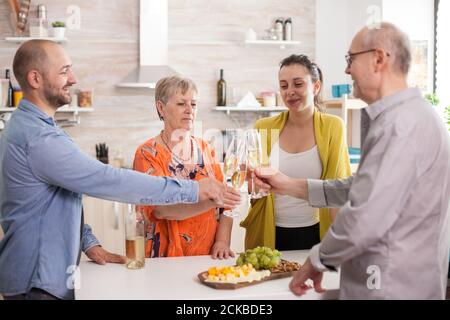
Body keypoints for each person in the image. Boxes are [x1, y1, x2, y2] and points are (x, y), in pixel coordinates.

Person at [0, 40, 240, 300]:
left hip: (41, 277)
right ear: (35, 78)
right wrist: (196, 189)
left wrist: (87, 242)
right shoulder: (38, 138)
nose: (73, 78)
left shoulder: (33, 129)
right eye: (64, 71)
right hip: (37, 282)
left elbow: (58, 200)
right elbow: (107, 179)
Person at [255, 22, 450, 299]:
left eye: (351, 59)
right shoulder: (404, 118)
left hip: (390, 285)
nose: (347, 70)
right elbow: (358, 188)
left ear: (378, 58)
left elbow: (365, 215)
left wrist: (318, 258)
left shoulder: (401, 127)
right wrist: (288, 185)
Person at [240, 54, 351, 251]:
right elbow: (254, 191)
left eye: (298, 84)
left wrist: (340, 246)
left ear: (316, 87)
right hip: (269, 231)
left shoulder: (334, 127)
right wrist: (250, 181)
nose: (290, 91)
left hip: (316, 233)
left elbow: (337, 190)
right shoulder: (263, 127)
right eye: (284, 86)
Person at [133, 76, 235, 259]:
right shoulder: (147, 154)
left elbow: (226, 207)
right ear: (161, 108)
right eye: (181, 104)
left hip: (207, 257)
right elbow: (162, 209)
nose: (189, 111)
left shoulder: (206, 149)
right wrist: (214, 201)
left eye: (193, 104)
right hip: (163, 260)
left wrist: (222, 242)